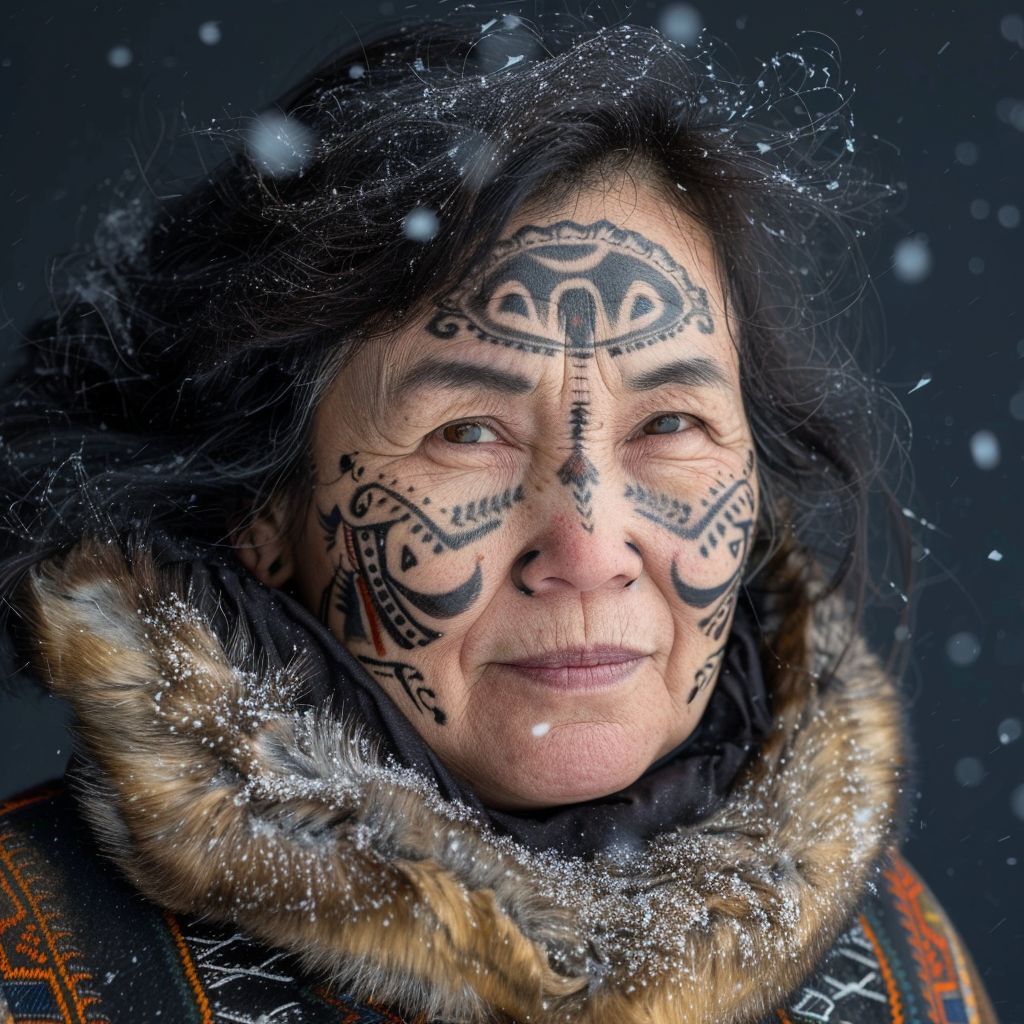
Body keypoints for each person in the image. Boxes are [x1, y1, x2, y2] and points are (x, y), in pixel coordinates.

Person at [0, 15, 998, 1024]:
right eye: (467, 432)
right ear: (264, 508)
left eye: (668, 422)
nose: (590, 548)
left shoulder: (897, 967)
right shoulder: (29, 956)